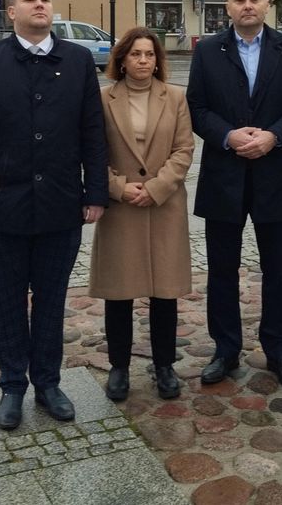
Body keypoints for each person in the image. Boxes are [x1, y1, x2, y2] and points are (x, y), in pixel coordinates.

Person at [0, 0, 107, 430]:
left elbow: (92, 133)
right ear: (13, 12)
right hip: (5, 204)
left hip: (62, 204)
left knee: (51, 299)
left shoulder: (78, 60)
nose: (40, 5)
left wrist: (95, 192)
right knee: (7, 300)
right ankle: (11, 387)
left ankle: (47, 382)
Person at [187, 0, 282, 387]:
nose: (247, 5)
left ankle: (278, 350)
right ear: (227, 7)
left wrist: (274, 136)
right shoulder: (208, 51)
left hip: (274, 173)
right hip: (223, 175)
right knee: (222, 269)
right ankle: (225, 350)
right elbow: (197, 106)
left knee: (277, 268)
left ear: (266, 6)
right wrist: (228, 136)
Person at [89, 28, 194, 401]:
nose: (143, 61)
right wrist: (118, 187)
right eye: (136, 54)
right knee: (119, 292)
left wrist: (156, 188)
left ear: (158, 60)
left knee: (164, 292)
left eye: (150, 54)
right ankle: (118, 368)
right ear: (122, 59)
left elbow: (184, 149)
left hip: (163, 206)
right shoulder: (102, 100)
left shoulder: (176, 97)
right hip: (122, 208)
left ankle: (164, 365)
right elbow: (91, 152)